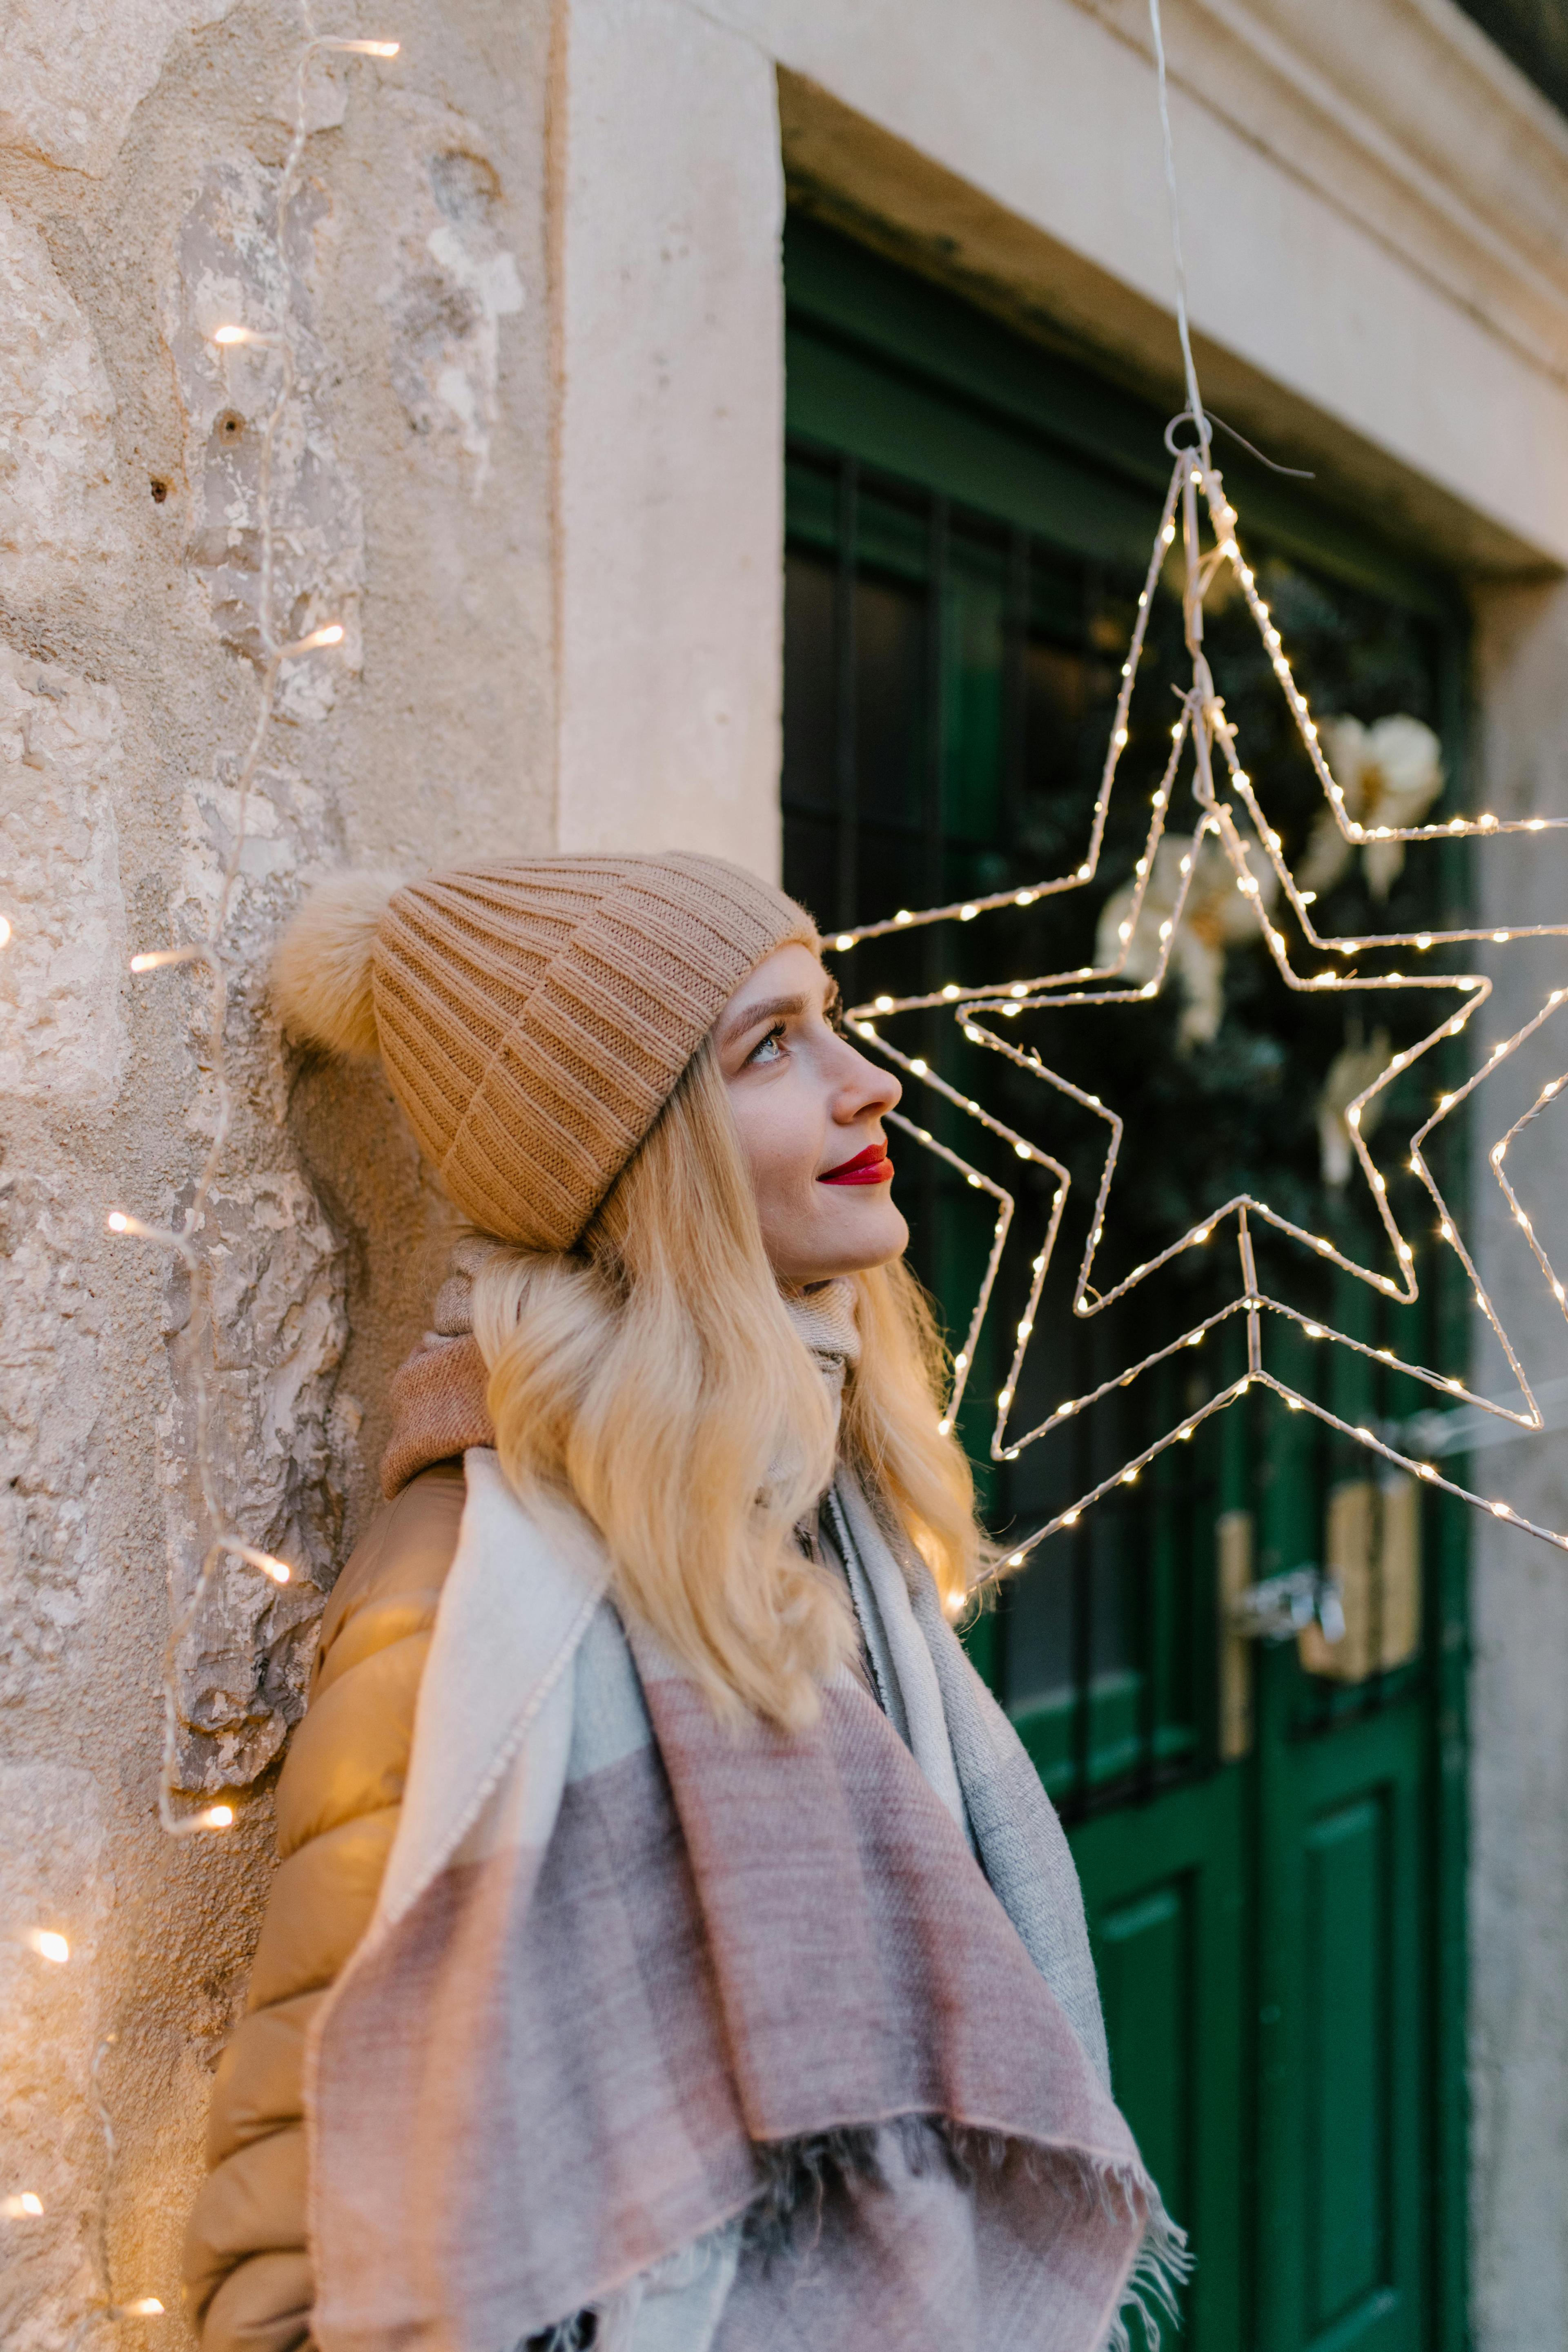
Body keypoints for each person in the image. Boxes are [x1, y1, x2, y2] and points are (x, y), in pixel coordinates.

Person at [182, 853, 1180, 2352]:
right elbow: (277, 2284)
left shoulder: (815, 1519)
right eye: (770, 1047)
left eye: (831, 1016)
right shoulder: (468, 1603)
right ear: (631, 1156)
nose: (870, 1085)